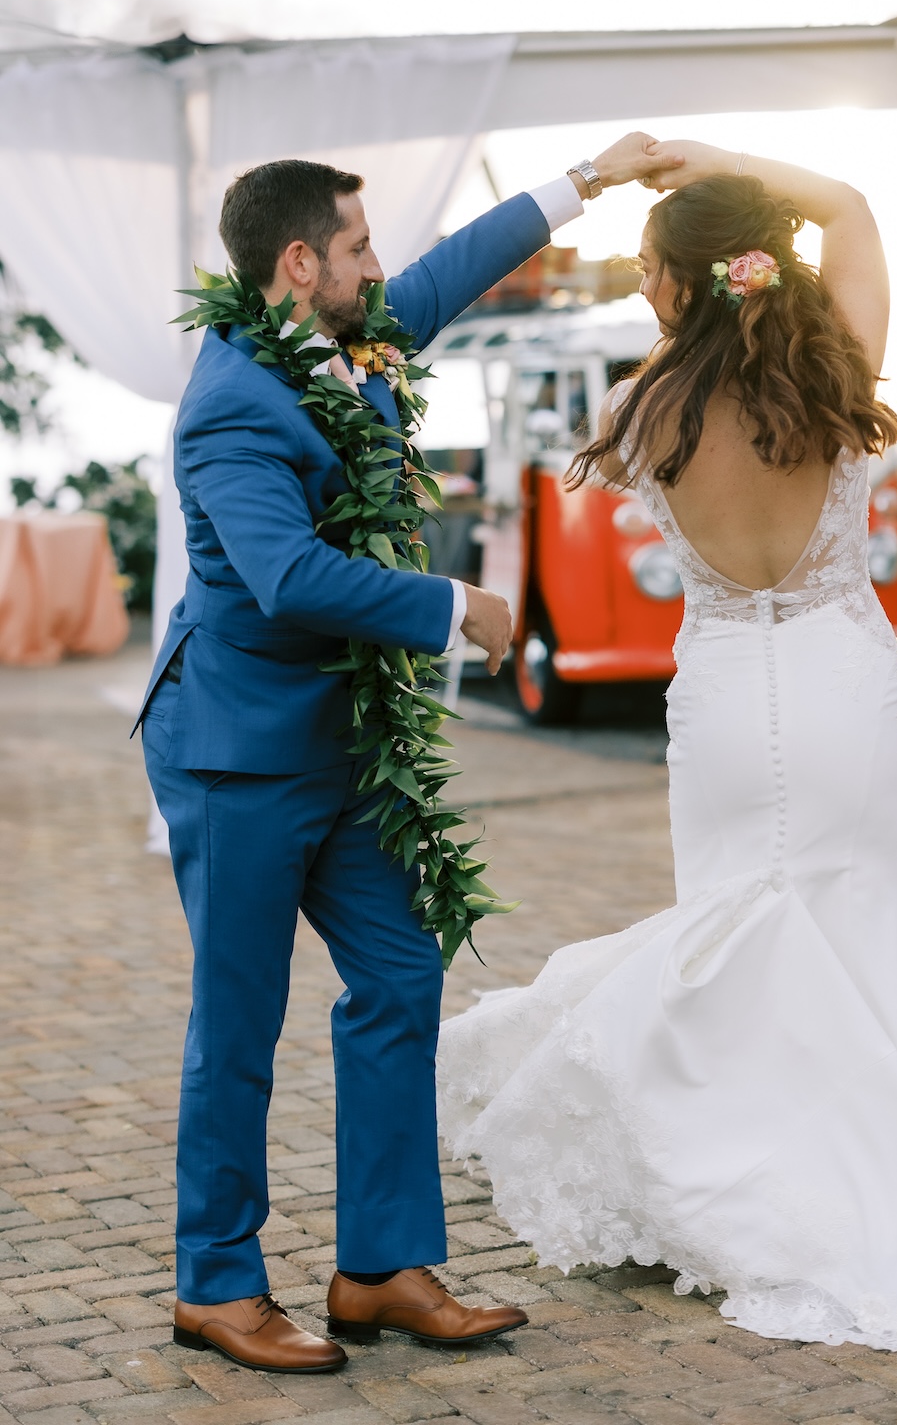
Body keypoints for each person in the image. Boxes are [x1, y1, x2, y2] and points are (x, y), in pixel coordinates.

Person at [436, 141, 897, 1352]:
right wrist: (706, 165)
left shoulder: (639, 407)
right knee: (865, 921)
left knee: (729, 928)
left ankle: (738, 1169)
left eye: (656, 270)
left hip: (720, 704)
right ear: (760, 262)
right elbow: (853, 204)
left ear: (679, 284)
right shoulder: (835, 376)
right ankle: (877, 1168)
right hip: (845, 690)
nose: (647, 288)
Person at [133, 133, 682, 1373]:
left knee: (398, 975)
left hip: (342, 743)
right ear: (294, 265)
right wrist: (455, 604)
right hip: (237, 752)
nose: (381, 269)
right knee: (240, 1021)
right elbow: (283, 576)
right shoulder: (231, 406)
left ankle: (378, 1266)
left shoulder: (350, 334)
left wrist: (586, 180)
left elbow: (448, 273)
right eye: (358, 248)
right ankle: (214, 1284)